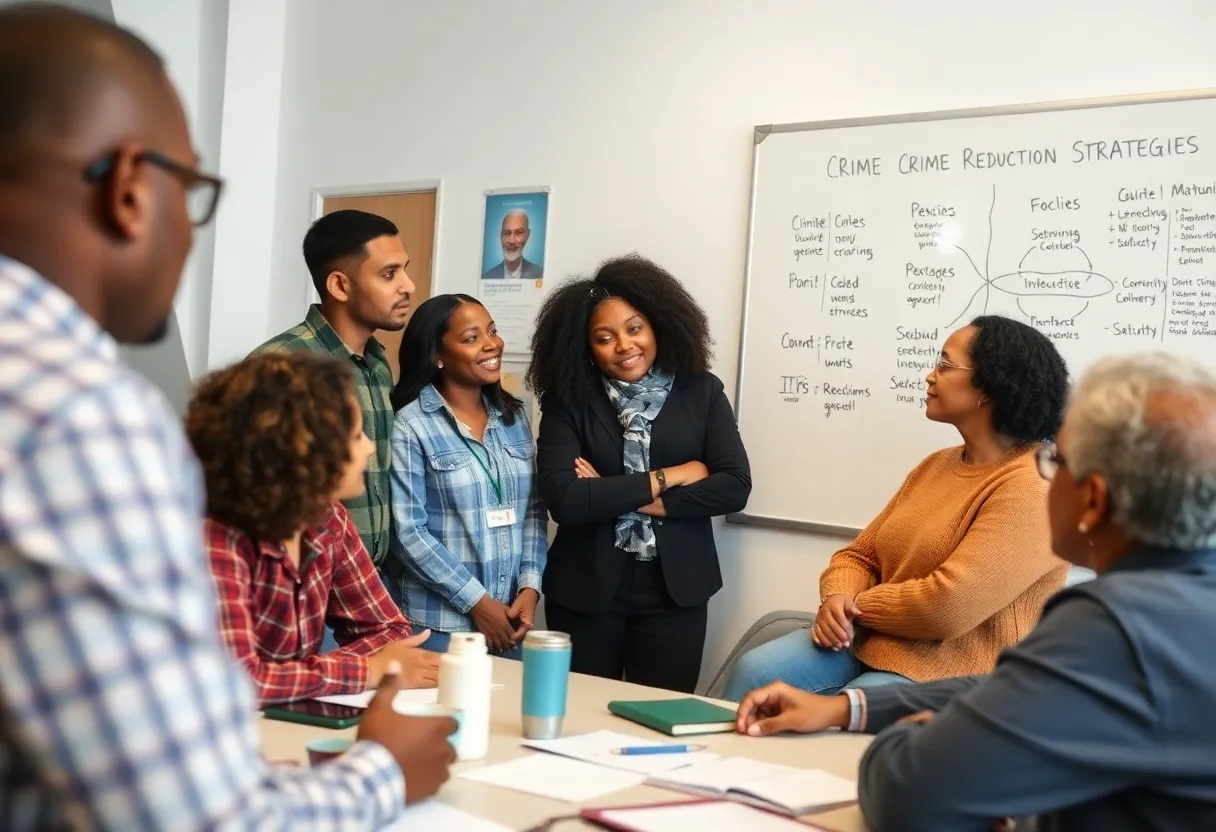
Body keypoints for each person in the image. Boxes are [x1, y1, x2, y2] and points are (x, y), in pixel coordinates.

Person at [0, 6, 454, 827]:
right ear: (131, 192)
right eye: (193, 192)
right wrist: (382, 771)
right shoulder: (77, 416)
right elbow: (192, 814)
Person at [734, 353, 1216, 831]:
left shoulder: (1115, 625)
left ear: (1092, 500)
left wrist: (903, 737)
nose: (1046, 475)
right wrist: (847, 709)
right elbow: (1014, 688)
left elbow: (911, 796)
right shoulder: (1180, 602)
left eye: (1056, 461)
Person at [721, 315, 1070, 701]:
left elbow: (948, 608)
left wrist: (854, 606)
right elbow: (859, 555)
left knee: (854, 708)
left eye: (944, 364)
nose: (929, 376)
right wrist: (837, 596)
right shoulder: (937, 464)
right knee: (756, 671)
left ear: (988, 387)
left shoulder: (1036, 486)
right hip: (869, 640)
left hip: (959, 671)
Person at [528, 255, 751, 693]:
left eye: (634, 329)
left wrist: (610, 493)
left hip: (676, 592)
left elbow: (734, 487)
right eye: (604, 338)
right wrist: (676, 474)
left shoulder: (701, 391)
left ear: (657, 326)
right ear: (586, 348)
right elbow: (566, 500)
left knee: (661, 719)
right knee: (579, 720)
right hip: (586, 592)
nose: (624, 346)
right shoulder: (567, 401)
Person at [188, 351, 441, 705]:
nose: (369, 448)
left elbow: (389, 632)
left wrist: (315, 673)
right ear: (302, 452)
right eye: (355, 437)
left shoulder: (328, 517)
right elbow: (238, 680)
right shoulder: (214, 539)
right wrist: (368, 670)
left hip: (285, 724)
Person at [387, 294, 546, 656]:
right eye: (472, 338)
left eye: (492, 331)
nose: (491, 344)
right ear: (436, 355)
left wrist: (530, 587)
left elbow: (533, 511)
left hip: (508, 620)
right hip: (441, 627)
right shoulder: (411, 426)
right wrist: (477, 603)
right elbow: (408, 532)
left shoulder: (513, 418)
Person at [255, 209, 414, 567]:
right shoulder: (281, 365)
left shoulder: (376, 363)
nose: (408, 286)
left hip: (369, 585)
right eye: (390, 274)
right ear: (340, 285)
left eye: (404, 269)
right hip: (305, 583)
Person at [481, 209, 543, 280]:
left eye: (518, 233)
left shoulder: (540, 274)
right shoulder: (487, 277)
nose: (511, 241)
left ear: (527, 235)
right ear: (501, 235)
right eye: (507, 233)